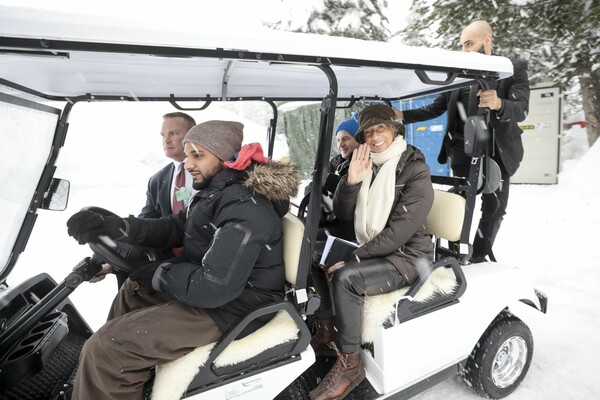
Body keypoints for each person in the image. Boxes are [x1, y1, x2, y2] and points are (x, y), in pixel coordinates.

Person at [65, 120, 300, 400]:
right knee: (135, 290)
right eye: (188, 154)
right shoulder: (220, 191)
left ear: (225, 158)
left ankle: (110, 366)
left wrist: (160, 273)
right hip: (223, 297)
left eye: (197, 155)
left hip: (236, 308)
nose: (188, 164)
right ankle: (116, 380)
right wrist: (121, 228)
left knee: (106, 349)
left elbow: (215, 287)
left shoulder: (246, 206)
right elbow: (178, 226)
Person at [309, 105, 434, 400]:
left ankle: (351, 364)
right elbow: (342, 214)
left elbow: (398, 235)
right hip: (372, 248)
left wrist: (350, 259)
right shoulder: (367, 163)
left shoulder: (415, 169)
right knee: (313, 254)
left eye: (381, 128)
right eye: (369, 131)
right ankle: (328, 333)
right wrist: (351, 180)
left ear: (395, 130)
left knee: (346, 277)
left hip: (407, 256)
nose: (376, 135)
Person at [395, 20, 530, 263]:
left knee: (495, 207)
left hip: (496, 150)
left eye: (469, 44)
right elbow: (437, 107)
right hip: (462, 146)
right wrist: (402, 115)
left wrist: (499, 103)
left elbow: (521, 109)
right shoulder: (458, 72)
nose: (464, 50)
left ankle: (478, 254)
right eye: (462, 45)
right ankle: (457, 253)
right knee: (459, 203)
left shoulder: (512, 69)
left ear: (487, 40)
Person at [139, 111, 197, 218]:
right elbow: (145, 222)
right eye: (163, 135)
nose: (166, 140)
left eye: (173, 133)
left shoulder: (210, 171)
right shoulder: (156, 181)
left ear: (193, 135)